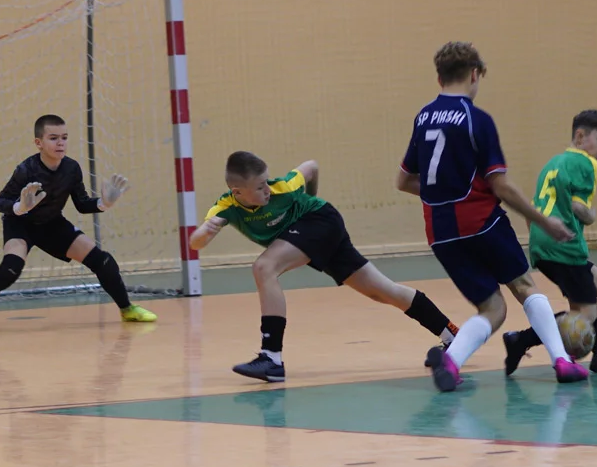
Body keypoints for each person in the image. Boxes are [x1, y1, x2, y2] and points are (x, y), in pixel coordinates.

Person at [395, 41, 587, 393]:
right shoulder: (476, 120)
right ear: (474, 74)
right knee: (525, 286)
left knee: (492, 308)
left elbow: (404, 181)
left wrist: (443, 194)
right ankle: (562, 360)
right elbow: (502, 186)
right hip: (481, 221)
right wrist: (543, 220)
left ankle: (451, 361)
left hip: (440, 231)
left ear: (439, 78)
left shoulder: (423, 118)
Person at [189, 151, 459, 382]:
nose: (267, 190)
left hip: (319, 221)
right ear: (237, 192)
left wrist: (310, 200)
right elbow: (195, 243)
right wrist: (206, 232)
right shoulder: (226, 207)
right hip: (314, 234)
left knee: (264, 267)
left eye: (266, 182)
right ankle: (452, 336)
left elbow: (311, 166)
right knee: (381, 291)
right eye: (259, 187)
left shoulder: (283, 187)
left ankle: (271, 358)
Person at [0, 114, 156, 334]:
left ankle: (127, 309)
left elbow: (82, 204)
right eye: (53, 138)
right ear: (39, 142)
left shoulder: (72, 168)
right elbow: (0, 202)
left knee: (103, 261)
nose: (60, 143)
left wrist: (104, 203)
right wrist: (20, 207)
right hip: (20, 223)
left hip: (51, 224)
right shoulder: (26, 169)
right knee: (10, 268)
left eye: (64, 137)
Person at [501, 110, 597, 375]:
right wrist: (591, 216)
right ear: (580, 136)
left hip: (542, 242)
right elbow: (578, 207)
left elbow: (536, 207)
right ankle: (521, 340)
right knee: (584, 316)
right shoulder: (586, 163)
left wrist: (539, 240)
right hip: (564, 244)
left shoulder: (554, 163)